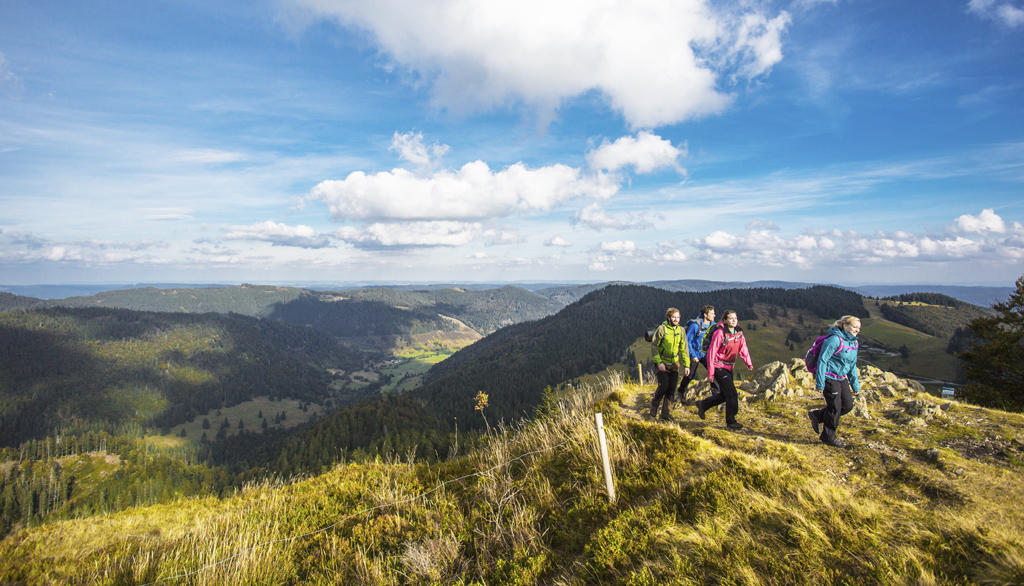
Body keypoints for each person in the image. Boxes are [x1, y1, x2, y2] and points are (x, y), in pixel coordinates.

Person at [808, 315, 861, 448]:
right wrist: (820, 383)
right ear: (845, 326)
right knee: (834, 408)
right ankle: (828, 437)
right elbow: (822, 361)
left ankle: (817, 416)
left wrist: (855, 385)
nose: (857, 330)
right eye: (854, 327)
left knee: (847, 406)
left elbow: (852, 365)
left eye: (858, 328)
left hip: (842, 378)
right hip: (829, 378)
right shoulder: (834, 340)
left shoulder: (854, 343)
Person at [695, 310, 752, 430]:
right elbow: (711, 353)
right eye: (731, 318)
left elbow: (743, 347)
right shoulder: (720, 333)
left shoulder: (738, 332)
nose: (734, 320)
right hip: (719, 367)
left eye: (735, 318)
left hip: (729, 366)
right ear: (725, 321)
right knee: (732, 394)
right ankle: (731, 421)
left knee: (724, 394)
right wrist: (710, 373)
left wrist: (748, 362)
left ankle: (703, 404)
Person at [649, 307, 690, 420]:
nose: (676, 319)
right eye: (674, 317)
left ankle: (666, 414)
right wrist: (659, 362)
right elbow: (654, 346)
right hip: (661, 363)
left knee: (672, 389)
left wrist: (687, 365)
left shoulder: (681, 330)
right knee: (663, 387)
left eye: (678, 317)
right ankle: (654, 407)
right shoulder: (662, 329)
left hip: (674, 363)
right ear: (669, 318)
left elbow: (684, 348)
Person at [678, 305, 715, 400]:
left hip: (705, 353)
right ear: (705, 315)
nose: (714, 315)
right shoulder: (695, 326)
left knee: (713, 371)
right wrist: (692, 355)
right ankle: (681, 391)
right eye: (712, 313)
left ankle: (717, 393)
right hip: (695, 353)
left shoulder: (712, 325)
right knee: (690, 375)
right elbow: (687, 342)